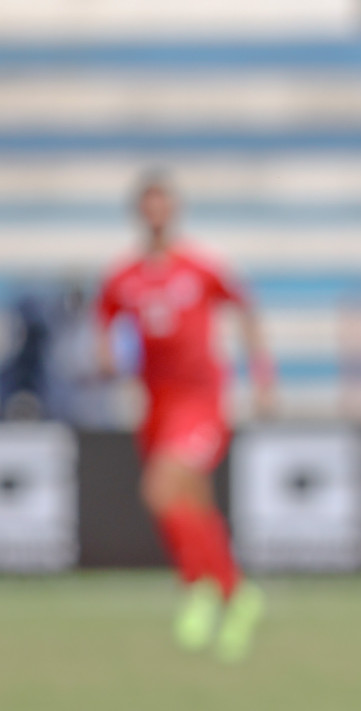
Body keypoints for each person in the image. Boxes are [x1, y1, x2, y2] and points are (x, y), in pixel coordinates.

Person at [96, 170, 274, 661]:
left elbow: (245, 309)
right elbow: (104, 324)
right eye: (148, 205)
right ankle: (238, 595)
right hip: (155, 402)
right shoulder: (123, 277)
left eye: (163, 204)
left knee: (160, 489)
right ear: (139, 212)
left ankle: (197, 585)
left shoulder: (199, 268)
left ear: (173, 211)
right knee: (192, 502)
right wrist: (106, 357)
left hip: (200, 399)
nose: (156, 213)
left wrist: (263, 375)